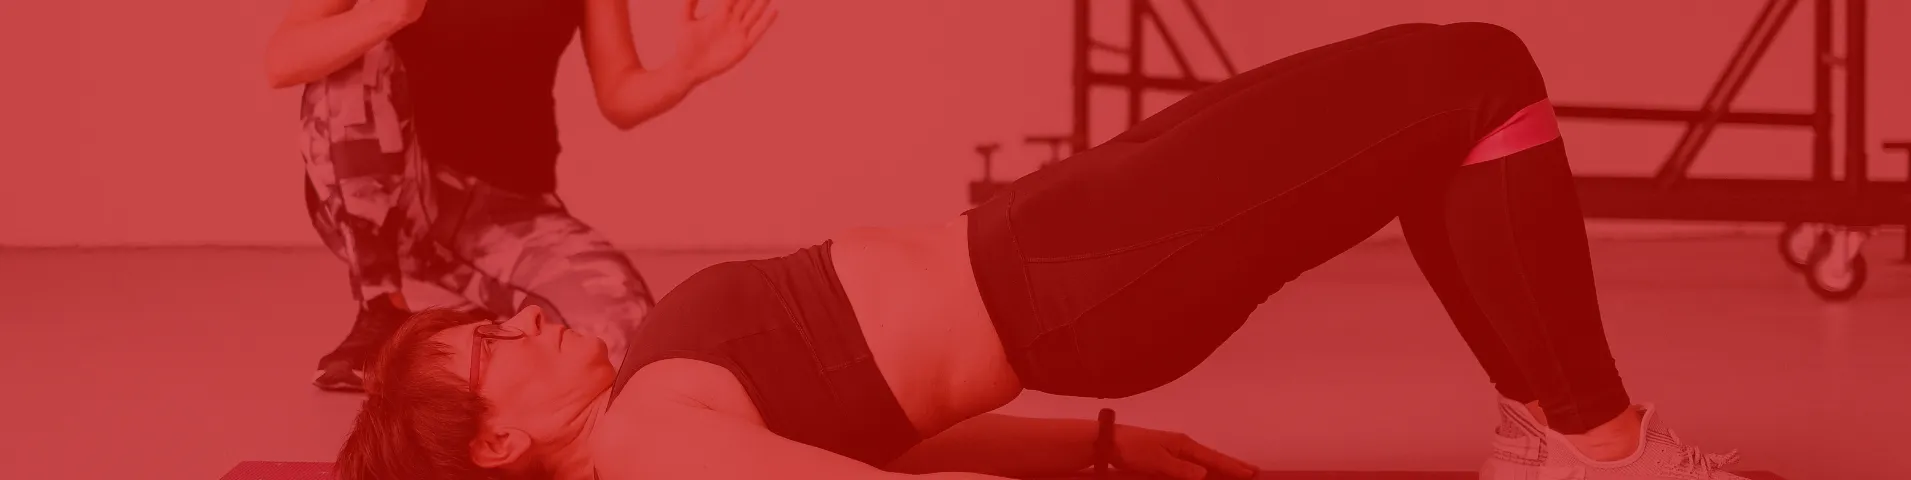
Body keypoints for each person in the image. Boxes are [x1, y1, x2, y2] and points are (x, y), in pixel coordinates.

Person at [336, 23, 1752, 480]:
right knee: (1475, 75)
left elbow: (887, 432)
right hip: (1076, 273)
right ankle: (1597, 442)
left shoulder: (657, 402)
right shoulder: (651, 446)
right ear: (496, 446)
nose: (523, 320)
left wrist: (1105, 449)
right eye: (493, 348)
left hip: (1058, 244)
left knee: (1444, 112)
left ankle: (1552, 437)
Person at [264, 0, 780, 391]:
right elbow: (282, 60)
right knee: (357, 59)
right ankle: (382, 308)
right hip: (397, 201)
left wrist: (684, 69)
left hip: (510, 214)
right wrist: (385, 14)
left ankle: (461, 317)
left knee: (621, 331)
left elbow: (619, 95)